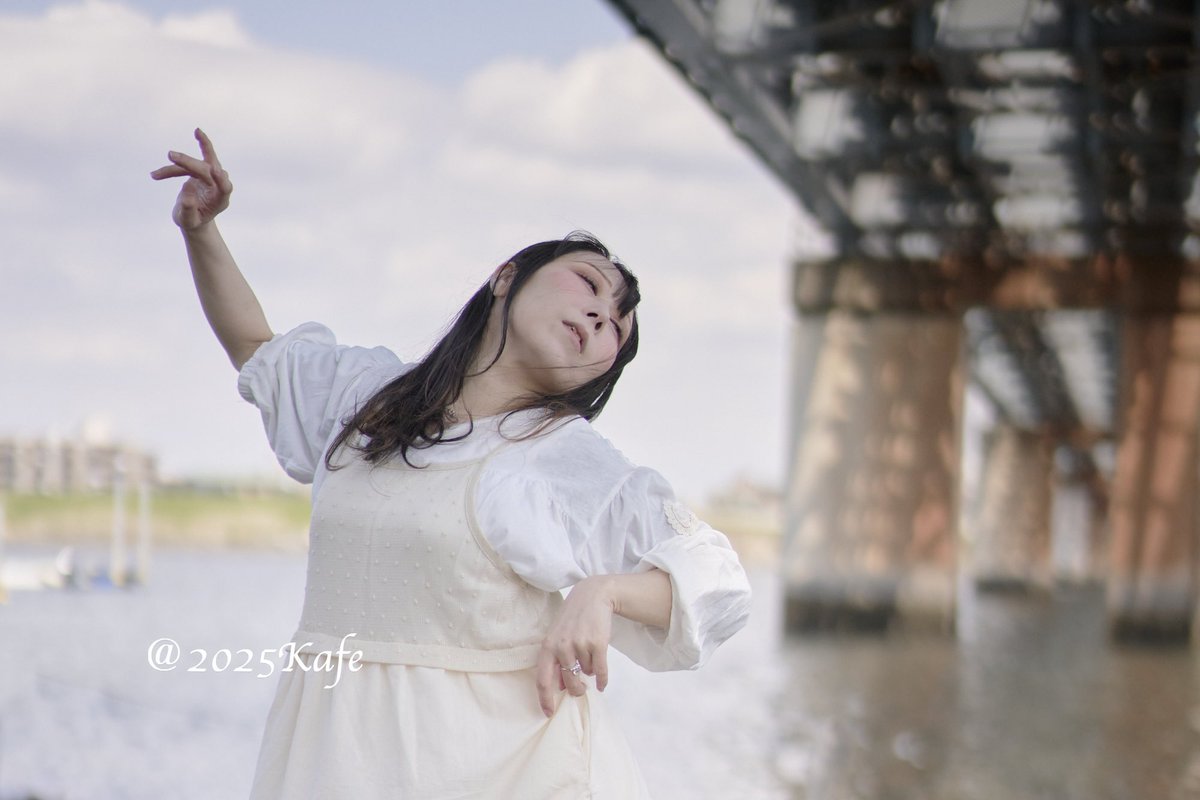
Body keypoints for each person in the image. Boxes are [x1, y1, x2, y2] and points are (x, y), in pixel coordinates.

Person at [152, 128, 752, 799]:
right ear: (505, 279)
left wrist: (603, 592)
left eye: (617, 325)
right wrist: (200, 231)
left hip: (495, 768)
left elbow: (717, 583)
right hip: (334, 758)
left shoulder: (558, 456)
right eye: (587, 282)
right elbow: (258, 348)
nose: (599, 314)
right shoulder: (369, 397)